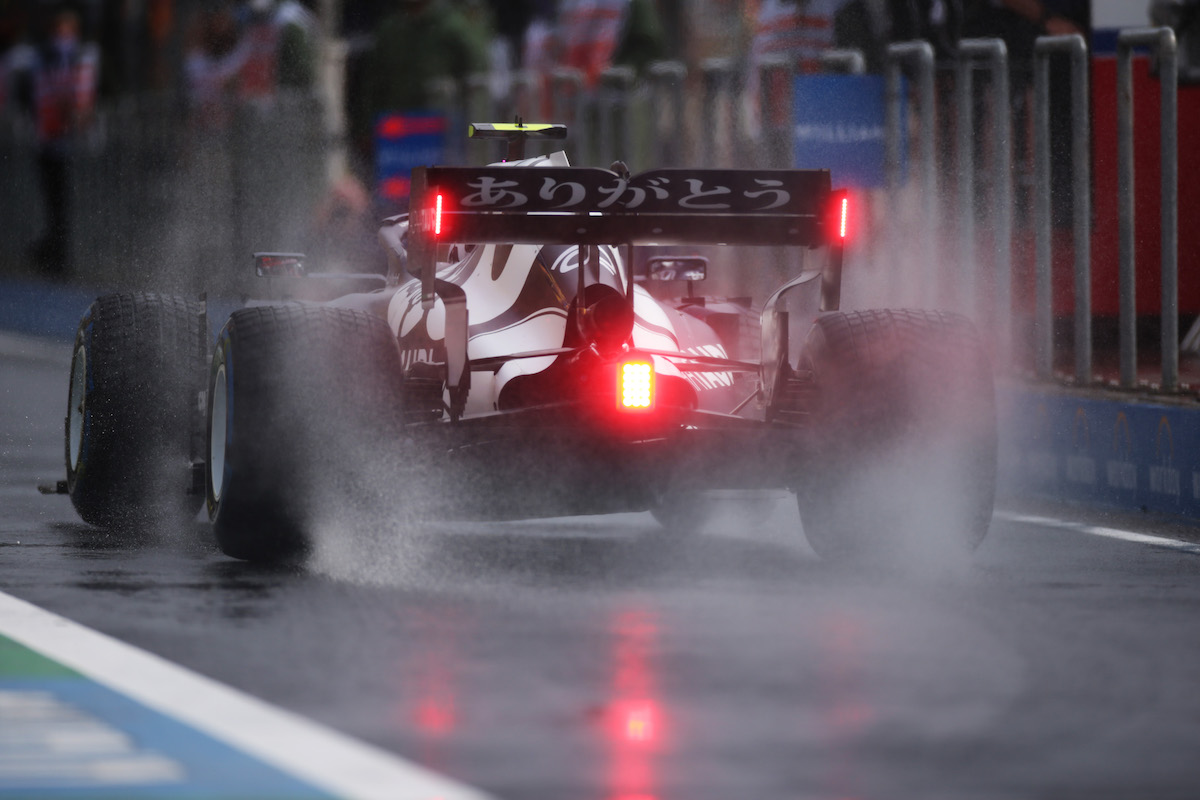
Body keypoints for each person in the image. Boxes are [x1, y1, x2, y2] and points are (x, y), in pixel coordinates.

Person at [29, 7, 98, 278]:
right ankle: (55, 256)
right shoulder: (44, 59)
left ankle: (60, 255)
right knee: (55, 204)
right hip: (51, 142)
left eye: (66, 30)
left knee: (69, 204)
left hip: (78, 146)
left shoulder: (83, 57)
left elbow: (85, 97)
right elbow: (43, 99)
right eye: (58, 30)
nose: (62, 37)